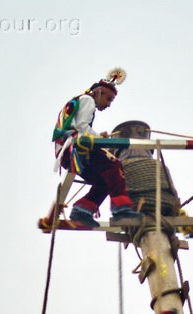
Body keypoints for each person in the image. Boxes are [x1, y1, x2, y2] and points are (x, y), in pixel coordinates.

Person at [52, 67, 142, 227]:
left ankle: (83, 210)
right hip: (77, 149)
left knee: (105, 181)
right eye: (109, 99)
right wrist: (100, 137)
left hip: (66, 153)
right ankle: (122, 209)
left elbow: (79, 126)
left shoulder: (78, 101)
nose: (108, 105)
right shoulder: (87, 100)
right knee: (114, 166)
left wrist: (98, 136)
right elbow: (82, 127)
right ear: (99, 92)